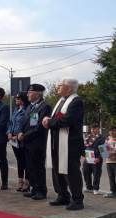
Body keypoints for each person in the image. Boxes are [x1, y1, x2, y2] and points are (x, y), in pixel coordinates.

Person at [43, 78, 85, 211]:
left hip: (70, 144)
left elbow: (68, 120)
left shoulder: (76, 102)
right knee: (57, 170)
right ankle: (62, 195)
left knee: (71, 172)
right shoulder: (61, 101)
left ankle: (77, 200)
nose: (57, 87)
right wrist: (48, 120)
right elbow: (56, 118)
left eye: (60, 85)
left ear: (69, 88)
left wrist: (49, 123)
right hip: (56, 141)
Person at [18, 84, 52, 200]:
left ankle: (41, 191)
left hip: (37, 143)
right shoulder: (30, 107)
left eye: (30, 92)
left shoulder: (44, 107)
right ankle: (34, 189)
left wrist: (24, 136)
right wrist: (20, 132)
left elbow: (38, 128)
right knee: (30, 168)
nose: (27, 94)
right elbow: (25, 123)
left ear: (38, 93)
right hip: (27, 143)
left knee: (38, 168)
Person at [7, 91, 29, 192]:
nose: (16, 100)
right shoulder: (15, 110)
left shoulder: (27, 110)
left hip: (22, 139)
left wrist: (20, 134)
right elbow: (10, 123)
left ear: (23, 100)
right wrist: (9, 133)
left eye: (18, 98)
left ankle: (27, 183)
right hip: (13, 140)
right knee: (19, 162)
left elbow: (29, 125)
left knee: (26, 162)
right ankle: (20, 181)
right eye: (16, 98)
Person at [82, 123, 106, 195]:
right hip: (87, 158)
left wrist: (99, 158)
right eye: (92, 129)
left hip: (96, 159)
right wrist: (84, 156)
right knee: (85, 172)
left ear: (98, 129)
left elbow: (103, 150)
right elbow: (84, 147)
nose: (93, 130)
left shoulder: (101, 138)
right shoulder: (87, 137)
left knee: (96, 174)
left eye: (95, 128)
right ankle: (89, 187)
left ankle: (96, 188)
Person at [103, 126, 116, 198]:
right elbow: (103, 149)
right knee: (111, 177)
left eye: (114, 130)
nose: (112, 132)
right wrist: (104, 153)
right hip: (108, 161)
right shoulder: (107, 139)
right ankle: (113, 192)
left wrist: (111, 153)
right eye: (110, 131)